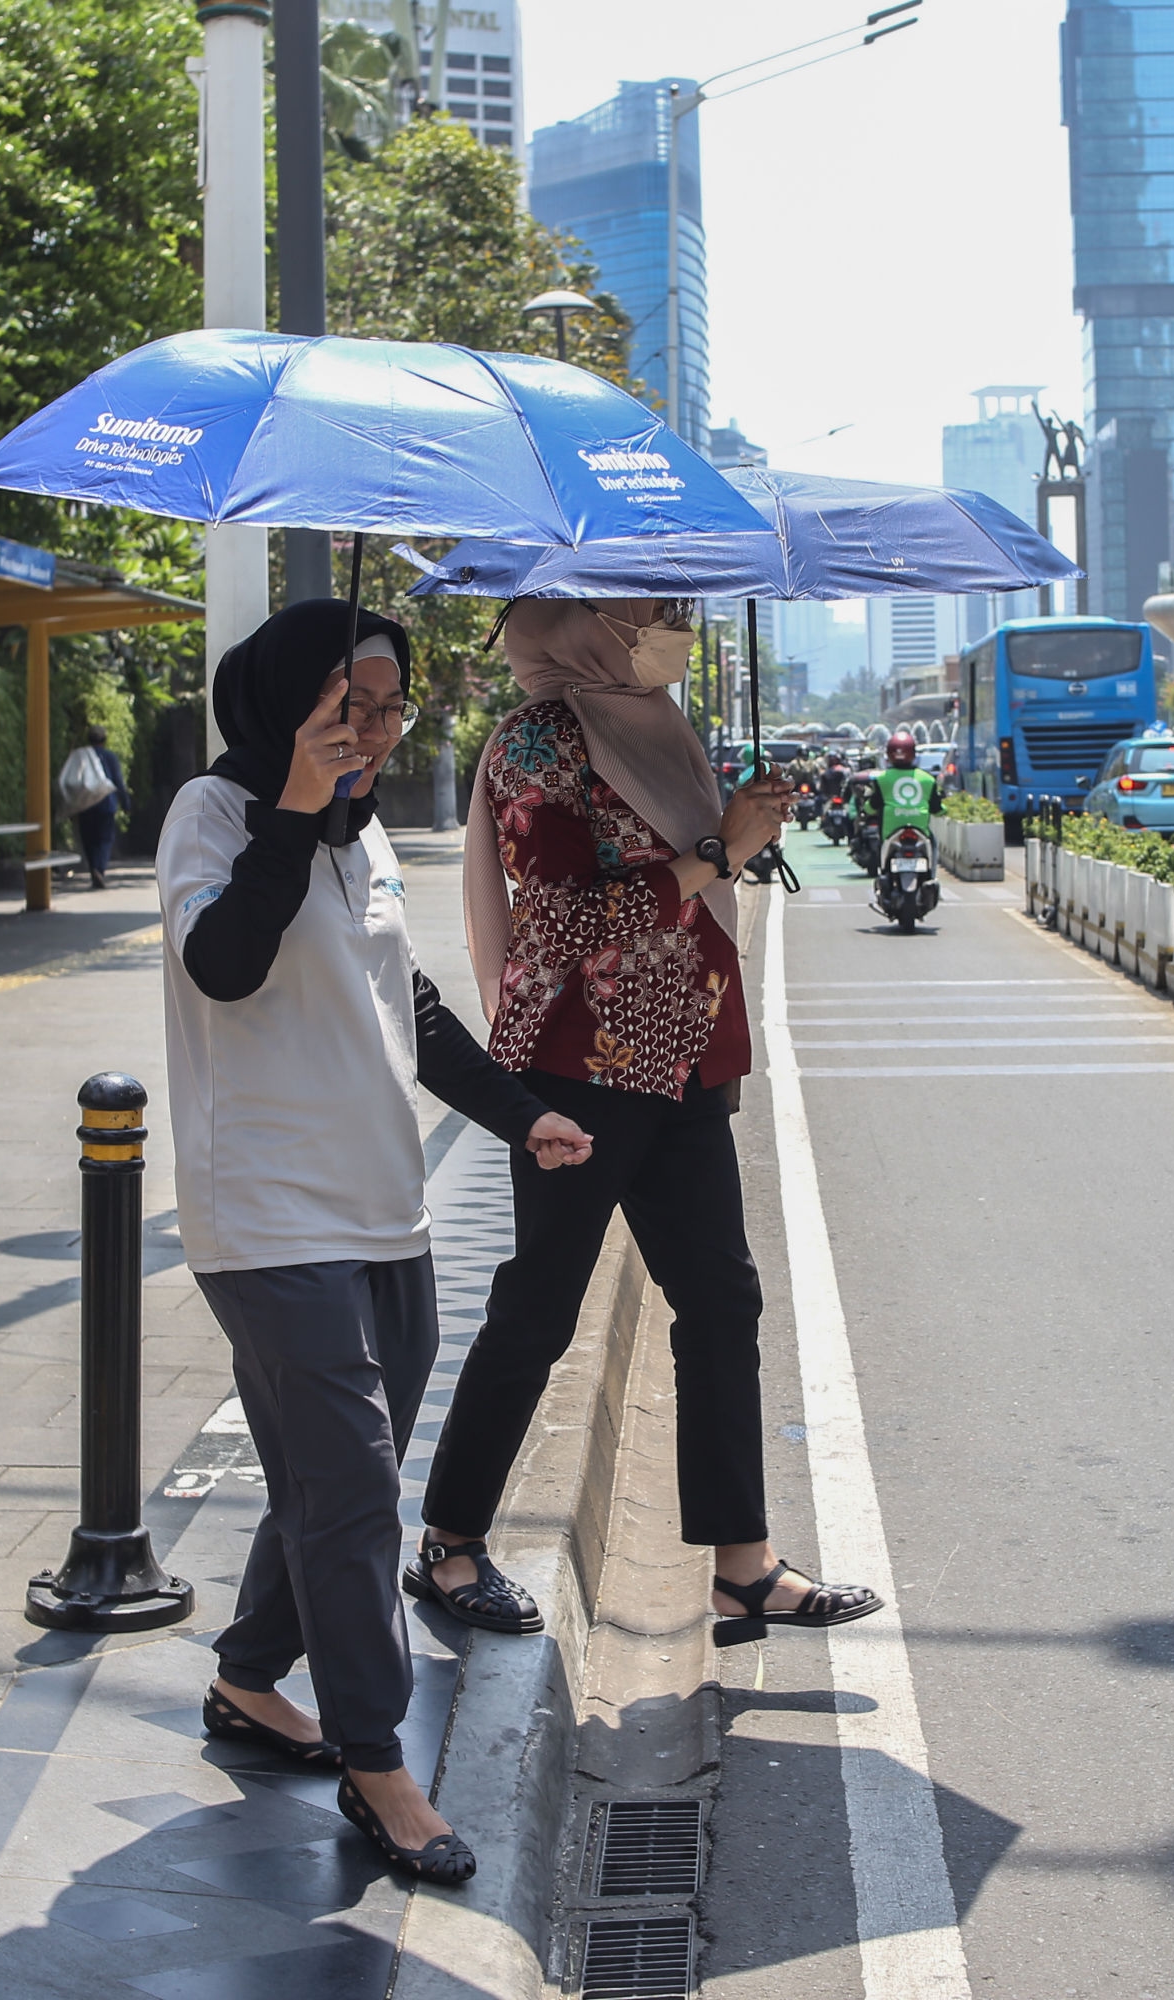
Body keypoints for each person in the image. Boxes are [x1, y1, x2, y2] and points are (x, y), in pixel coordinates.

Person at [160, 598, 593, 1886]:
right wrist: (297, 803)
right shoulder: (213, 812)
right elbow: (223, 962)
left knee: (334, 1474)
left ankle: (250, 1674)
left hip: (383, 1205)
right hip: (266, 1212)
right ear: (287, 698)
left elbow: (410, 1006)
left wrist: (521, 1113)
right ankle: (378, 1759)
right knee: (353, 1490)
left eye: (392, 707)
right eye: (351, 704)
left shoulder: (367, 834)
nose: (378, 728)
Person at [414, 597, 885, 1648]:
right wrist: (721, 848)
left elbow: (688, 880)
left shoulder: (659, 725)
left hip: (681, 1052)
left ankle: (742, 1566)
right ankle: (449, 1542)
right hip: (576, 1063)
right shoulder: (539, 741)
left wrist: (741, 831)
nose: (674, 620)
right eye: (650, 605)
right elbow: (564, 920)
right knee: (539, 1308)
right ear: (584, 618)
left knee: (721, 1300)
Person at [59, 725, 131, 890]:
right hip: (106, 803)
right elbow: (118, 781)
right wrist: (125, 802)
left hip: (86, 804)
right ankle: (99, 868)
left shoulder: (81, 756)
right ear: (104, 740)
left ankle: (93, 868)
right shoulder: (110, 757)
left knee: (88, 839)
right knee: (105, 839)